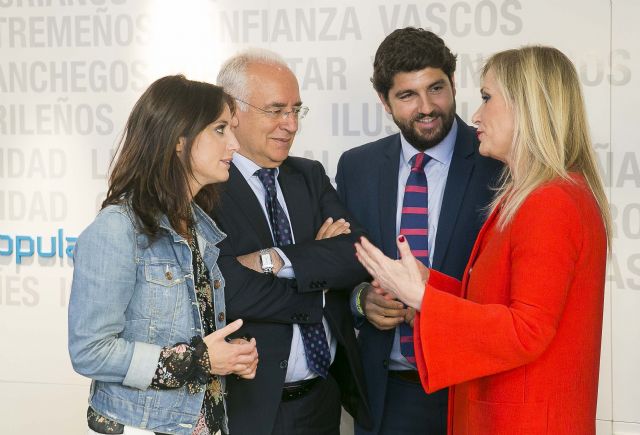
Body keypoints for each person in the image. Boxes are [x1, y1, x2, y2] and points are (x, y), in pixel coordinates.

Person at [354, 45, 611, 435]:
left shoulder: (551, 201)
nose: (475, 115)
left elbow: (526, 330)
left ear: (527, 109)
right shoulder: (534, 194)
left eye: (488, 98)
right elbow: (497, 304)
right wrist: (427, 283)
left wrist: (424, 299)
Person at [68, 75, 259, 435]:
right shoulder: (117, 229)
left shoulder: (199, 227)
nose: (234, 143)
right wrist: (200, 359)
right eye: (220, 130)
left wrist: (227, 356)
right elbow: (90, 351)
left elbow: (181, 333)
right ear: (178, 140)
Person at [336, 27, 502, 434]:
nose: (427, 107)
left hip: (471, 388)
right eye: (408, 96)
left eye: (436, 89)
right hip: (386, 392)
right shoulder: (357, 167)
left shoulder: (498, 164)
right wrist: (361, 302)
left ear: (453, 83)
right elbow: (343, 268)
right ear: (385, 102)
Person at [213, 48, 373, 435]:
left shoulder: (309, 176)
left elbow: (357, 254)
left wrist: (273, 260)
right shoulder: (208, 187)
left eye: (296, 110)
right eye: (275, 110)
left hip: (323, 400)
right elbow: (228, 291)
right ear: (233, 111)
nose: (290, 124)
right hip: (250, 410)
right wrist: (318, 281)